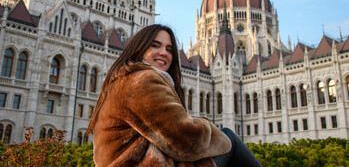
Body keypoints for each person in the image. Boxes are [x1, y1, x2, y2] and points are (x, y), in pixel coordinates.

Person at [87, 24, 262, 167]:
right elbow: (184, 138)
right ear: (139, 48)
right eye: (155, 45)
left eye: (169, 49)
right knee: (229, 138)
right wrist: (206, 126)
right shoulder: (142, 80)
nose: (164, 52)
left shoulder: (124, 79)